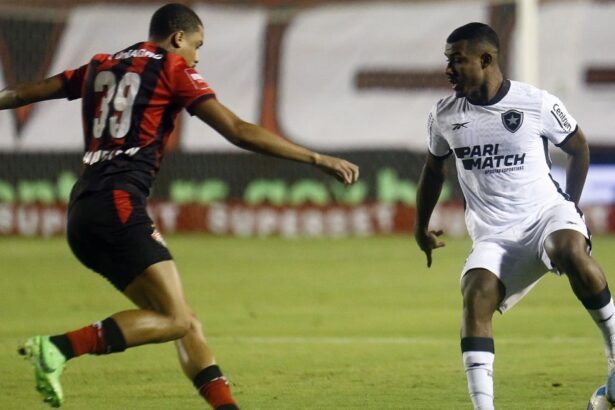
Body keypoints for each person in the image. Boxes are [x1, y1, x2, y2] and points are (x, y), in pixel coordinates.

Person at [1, 3, 359, 409]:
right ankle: (59, 348)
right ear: (177, 39)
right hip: (118, 207)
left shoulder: (101, 64)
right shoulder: (171, 68)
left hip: (83, 210)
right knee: (176, 320)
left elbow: (27, 92)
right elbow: (239, 131)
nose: (197, 56)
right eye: (197, 45)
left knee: (183, 320)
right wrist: (317, 159)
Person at [414, 22, 614, 409]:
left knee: (568, 247)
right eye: (447, 61)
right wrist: (420, 227)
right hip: (494, 236)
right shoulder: (443, 115)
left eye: (457, 60)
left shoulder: (534, 102)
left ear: (486, 59)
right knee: (475, 295)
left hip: (545, 215)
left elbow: (579, 147)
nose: (448, 69)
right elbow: (433, 170)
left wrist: (570, 208)